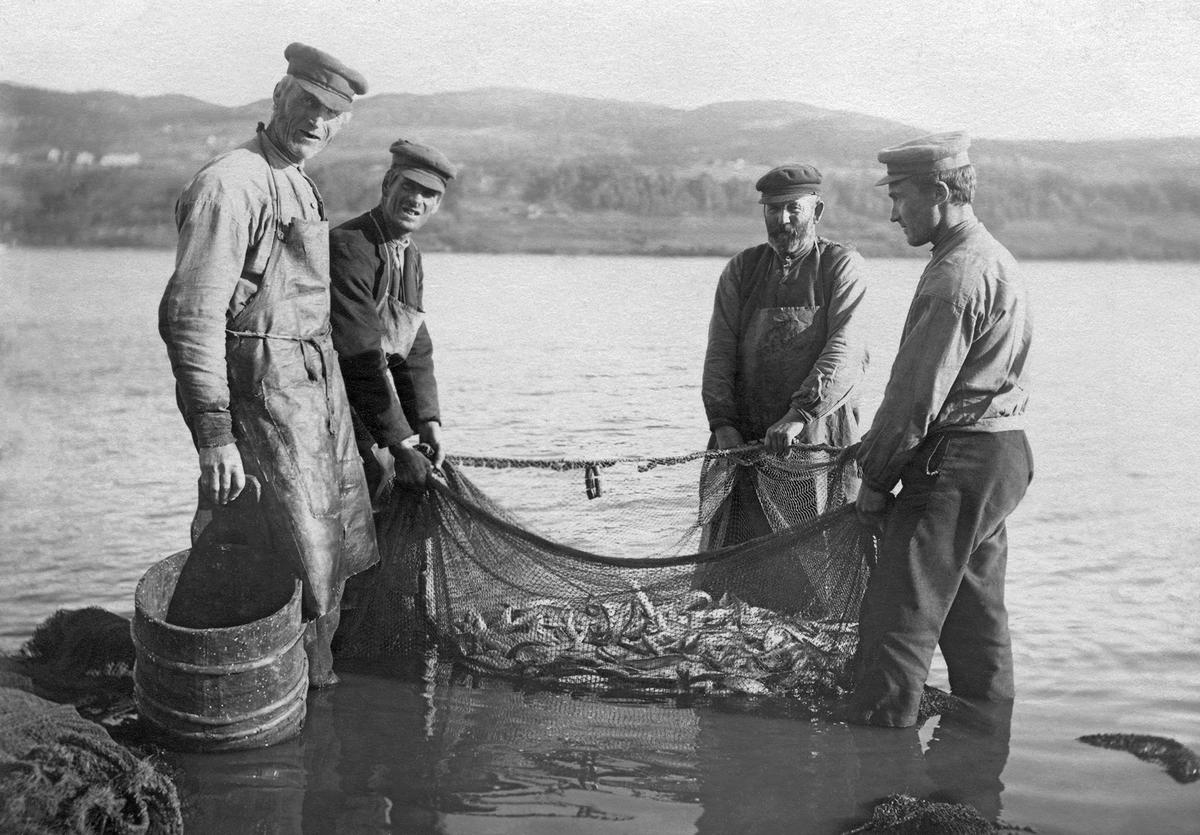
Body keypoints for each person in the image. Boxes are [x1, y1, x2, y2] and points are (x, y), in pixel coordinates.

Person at [158, 43, 377, 688]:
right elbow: (191, 316)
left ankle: (314, 697)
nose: (316, 120)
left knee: (329, 557)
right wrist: (215, 436)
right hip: (260, 406)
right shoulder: (232, 183)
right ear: (279, 96)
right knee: (275, 562)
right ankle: (266, 715)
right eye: (306, 102)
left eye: (331, 113)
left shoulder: (297, 181)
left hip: (311, 398)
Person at [844, 132, 1034, 727]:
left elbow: (913, 400)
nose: (892, 212)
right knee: (976, 620)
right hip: (1000, 456)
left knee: (895, 625)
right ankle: (986, 750)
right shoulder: (992, 256)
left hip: (957, 461)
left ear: (942, 193)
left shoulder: (956, 275)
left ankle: (880, 766)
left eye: (899, 196)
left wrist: (876, 481)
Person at [700, 163, 869, 546]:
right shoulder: (741, 270)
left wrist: (797, 417)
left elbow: (844, 350)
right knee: (736, 556)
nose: (783, 218)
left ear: (817, 211)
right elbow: (719, 353)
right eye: (773, 209)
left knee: (815, 550)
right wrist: (723, 423)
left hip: (815, 441)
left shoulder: (841, 266)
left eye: (794, 208)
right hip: (745, 444)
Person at [328, 139, 457, 503]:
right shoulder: (350, 246)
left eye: (428, 194)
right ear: (387, 185)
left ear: (436, 205)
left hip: (363, 401)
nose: (416, 200)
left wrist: (428, 422)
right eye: (409, 187)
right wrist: (400, 446)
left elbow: (414, 346)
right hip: (331, 397)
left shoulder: (410, 255)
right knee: (375, 481)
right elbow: (359, 354)